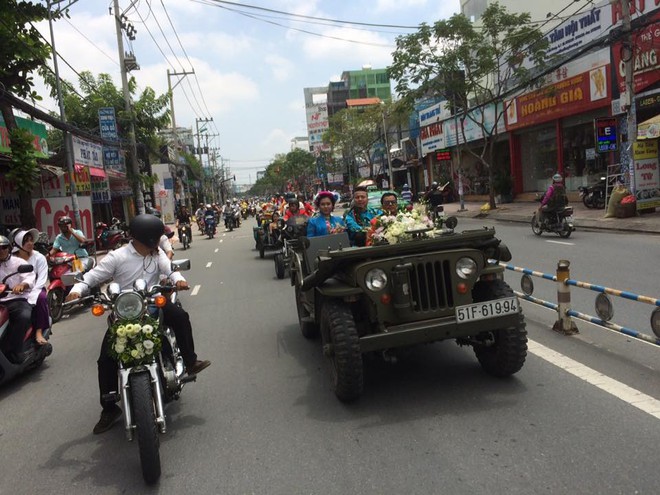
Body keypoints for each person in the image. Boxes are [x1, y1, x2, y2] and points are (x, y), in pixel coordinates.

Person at [65, 214, 211, 434]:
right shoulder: (117, 256)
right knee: (106, 359)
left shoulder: (157, 253)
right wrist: (77, 290)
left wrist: (177, 279)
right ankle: (109, 408)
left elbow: (169, 268)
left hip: (151, 302)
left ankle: (190, 361)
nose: (155, 243)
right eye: (153, 238)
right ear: (142, 237)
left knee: (181, 317)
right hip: (124, 310)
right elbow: (93, 276)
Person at [0, 235, 36, 362]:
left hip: (16, 299)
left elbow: (29, 277)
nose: (1, 250)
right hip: (0, 302)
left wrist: (22, 285)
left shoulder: (19, 263)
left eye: (4, 247)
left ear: (8, 248)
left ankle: (14, 351)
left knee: (23, 317)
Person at [13, 229, 49, 345]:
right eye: (25, 241)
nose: (29, 243)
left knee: (41, 298)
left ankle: (39, 331)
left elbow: (42, 278)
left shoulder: (39, 258)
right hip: (15, 291)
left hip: (36, 288)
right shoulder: (11, 259)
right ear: (18, 243)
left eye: (31, 240)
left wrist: (33, 293)